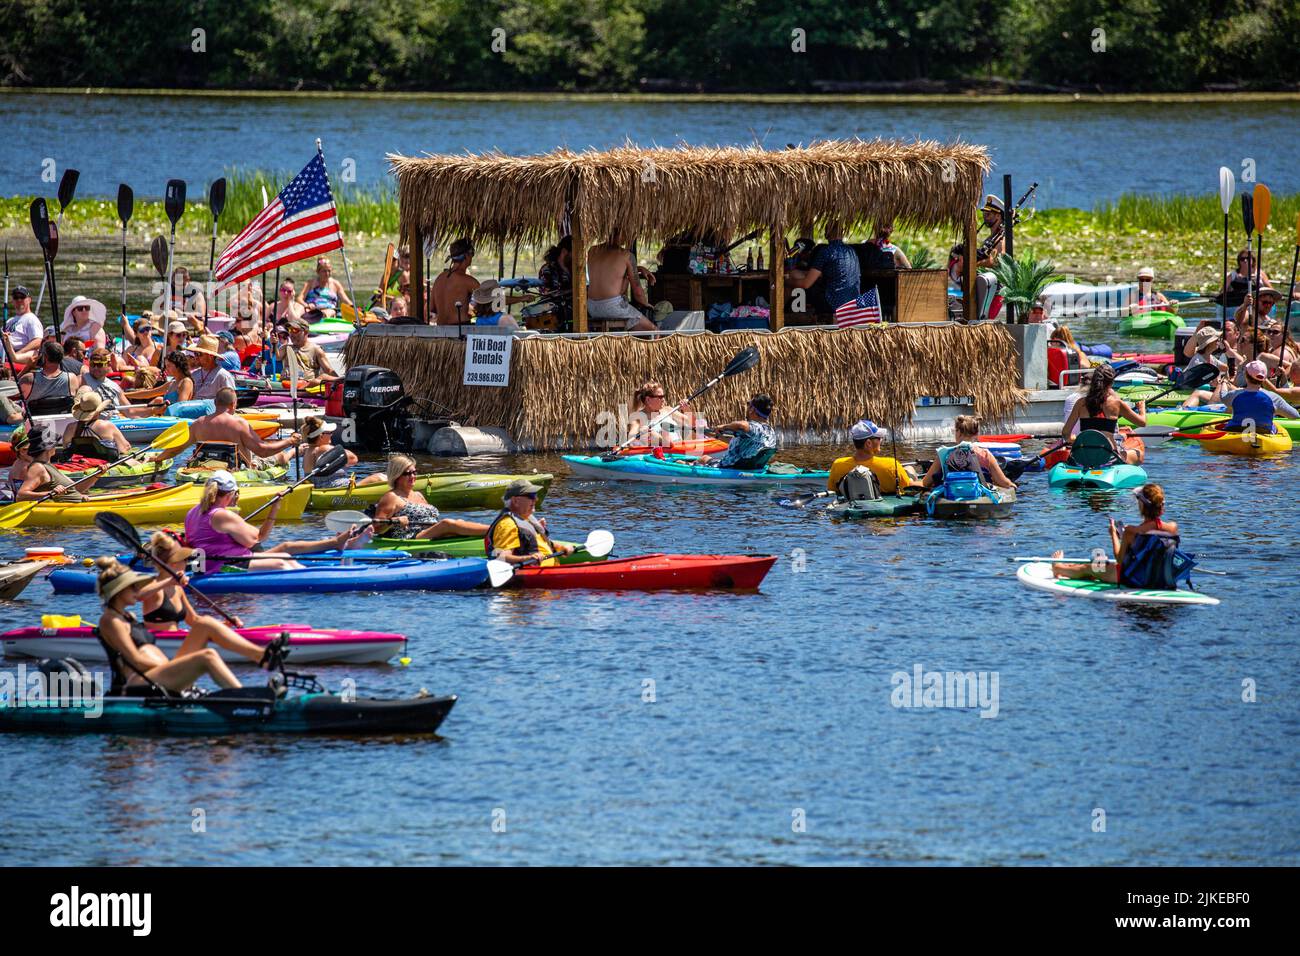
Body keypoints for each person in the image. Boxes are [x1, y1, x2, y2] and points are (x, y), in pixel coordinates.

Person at [93, 556, 250, 695]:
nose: (136, 590)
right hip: (139, 681)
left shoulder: (127, 617)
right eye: (132, 587)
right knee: (207, 656)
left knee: (207, 635)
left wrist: (223, 625)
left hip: (157, 674)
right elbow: (136, 661)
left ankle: (250, 682)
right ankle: (245, 698)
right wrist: (169, 665)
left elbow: (194, 619)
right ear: (118, 591)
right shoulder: (110, 620)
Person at [183, 470, 356, 572]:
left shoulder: (192, 512)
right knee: (283, 561)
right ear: (230, 494)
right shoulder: (222, 515)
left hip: (215, 562)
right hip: (223, 566)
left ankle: (335, 543)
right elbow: (259, 537)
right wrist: (274, 509)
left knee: (286, 548)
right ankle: (319, 578)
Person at [1048, 484, 1184, 588]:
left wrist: (1114, 535)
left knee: (1090, 567)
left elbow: (1120, 559)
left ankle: (1058, 568)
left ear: (1142, 505)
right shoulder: (1173, 528)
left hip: (1129, 578)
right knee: (1100, 562)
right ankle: (1080, 569)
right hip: (1159, 579)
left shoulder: (1132, 531)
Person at [157, 387, 300, 464]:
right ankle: (293, 452)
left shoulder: (199, 423)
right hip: (237, 471)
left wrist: (158, 458)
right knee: (280, 456)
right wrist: (289, 441)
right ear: (233, 404)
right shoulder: (239, 423)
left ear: (215, 403)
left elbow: (176, 449)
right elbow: (262, 451)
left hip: (206, 468)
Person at [372, 455, 490, 541]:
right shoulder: (391, 497)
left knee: (458, 522)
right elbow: (376, 528)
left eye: (414, 472)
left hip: (433, 532)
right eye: (407, 473)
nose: (413, 476)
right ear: (397, 476)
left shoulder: (418, 495)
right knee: (447, 523)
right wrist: (394, 521)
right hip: (412, 538)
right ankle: (495, 530)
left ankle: (489, 534)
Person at [1061, 364, 1146, 464]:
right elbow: (1142, 423)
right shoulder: (1117, 403)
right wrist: (1142, 409)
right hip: (1108, 457)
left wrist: (1074, 440)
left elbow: (1065, 433)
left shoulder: (1080, 403)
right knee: (1139, 454)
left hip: (1083, 456)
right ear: (1111, 383)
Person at [486, 477, 574, 566]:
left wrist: (561, 548)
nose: (536, 499)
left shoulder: (526, 518)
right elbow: (501, 557)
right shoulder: (507, 524)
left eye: (535, 495)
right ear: (515, 501)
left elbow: (541, 545)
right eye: (531, 496)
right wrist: (528, 558)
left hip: (549, 571)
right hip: (532, 575)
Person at [919, 415, 1015, 491]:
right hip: (979, 497)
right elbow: (1004, 483)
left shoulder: (944, 455)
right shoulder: (986, 455)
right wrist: (1012, 485)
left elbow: (924, 483)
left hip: (951, 497)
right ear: (976, 434)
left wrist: (910, 482)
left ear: (959, 432)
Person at [787, 221, 860, 316]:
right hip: (853, 302)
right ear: (842, 233)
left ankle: (784, 315)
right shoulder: (851, 251)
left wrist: (787, 282)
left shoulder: (826, 251)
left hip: (833, 303)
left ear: (826, 234)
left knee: (802, 286)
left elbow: (806, 284)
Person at [827, 419, 919, 495]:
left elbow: (833, 490)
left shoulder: (838, 464)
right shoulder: (891, 465)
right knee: (910, 469)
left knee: (908, 468)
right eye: (879, 438)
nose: (881, 440)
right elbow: (910, 489)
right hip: (886, 515)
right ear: (868, 443)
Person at [587, 235, 656, 332]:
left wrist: (639, 268)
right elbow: (638, 294)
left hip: (591, 306)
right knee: (653, 330)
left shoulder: (592, 251)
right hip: (613, 307)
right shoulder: (627, 255)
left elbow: (609, 271)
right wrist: (647, 305)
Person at [6, 429, 96, 500]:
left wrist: (97, 475)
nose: (56, 447)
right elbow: (21, 496)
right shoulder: (30, 467)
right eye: (54, 444)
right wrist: (50, 493)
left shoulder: (45, 465)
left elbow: (74, 488)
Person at [295, 417, 385, 487]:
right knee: (380, 478)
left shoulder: (307, 450)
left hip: (318, 487)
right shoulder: (324, 449)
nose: (332, 434)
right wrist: (339, 449)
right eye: (329, 433)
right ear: (321, 436)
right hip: (334, 487)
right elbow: (353, 459)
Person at [1218, 359, 1300, 433]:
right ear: (1264, 379)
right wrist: (1275, 411)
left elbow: (1223, 396)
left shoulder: (1235, 394)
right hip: (1264, 432)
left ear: (1246, 376)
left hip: (1235, 430)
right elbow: (1295, 415)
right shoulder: (1274, 398)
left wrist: (1224, 383)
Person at [699, 394, 778, 470]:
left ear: (752, 409)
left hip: (730, 467)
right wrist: (714, 435)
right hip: (752, 467)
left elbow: (742, 425)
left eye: (748, 405)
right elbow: (740, 442)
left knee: (702, 459)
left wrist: (723, 427)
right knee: (705, 458)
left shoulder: (755, 427)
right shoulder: (770, 431)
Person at [626, 380, 706, 445]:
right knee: (652, 434)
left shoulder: (668, 410)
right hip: (660, 455)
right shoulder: (638, 417)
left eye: (663, 396)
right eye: (660, 397)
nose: (663, 400)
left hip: (678, 449)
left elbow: (693, 424)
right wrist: (642, 433)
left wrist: (687, 410)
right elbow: (631, 436)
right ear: (648, 400)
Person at [58, 389, 132, 459]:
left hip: (79, 465)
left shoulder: (70, 427)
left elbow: (66, 449)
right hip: (104, 465)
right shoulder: (106, 426)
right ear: (99, 409)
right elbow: (124, 448)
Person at [275, 315, 338, 386]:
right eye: (289, 330)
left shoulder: (316, 349)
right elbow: (276, 357)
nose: (291, 334)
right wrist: (274, 344)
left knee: (322, 378)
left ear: (305, 332)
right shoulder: (286, 348)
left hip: (306, 386)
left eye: (295, 330)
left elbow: (329, 370)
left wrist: (341, 383)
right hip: (286, 386)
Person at [19, 341, 79, 415]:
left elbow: (12, 391)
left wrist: (28, 367)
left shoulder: (28, 379)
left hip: (35, 423)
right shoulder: (72, 378)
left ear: (44, 357)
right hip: (63, 423)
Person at [431, 238, 479, 325]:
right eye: (472, 253)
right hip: (461, 330)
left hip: (441, 331)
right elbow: (488, 304)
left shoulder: (439, 279)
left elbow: (432, 307)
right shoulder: (468, 281)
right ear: (467, 255)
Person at [3, 285, 44, 364]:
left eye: (22, 297)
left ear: (29, 300)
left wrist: (18, 353)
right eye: (16, 298)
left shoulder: (31, 319)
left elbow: (38, 341)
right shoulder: (10, 321)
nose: (19, 300)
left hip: (16, 356)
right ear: (13, 301)